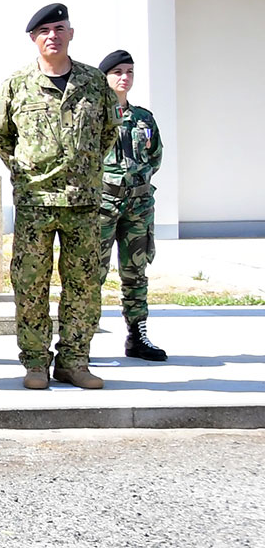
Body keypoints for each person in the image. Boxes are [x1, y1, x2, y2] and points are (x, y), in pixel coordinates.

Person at [0, 5, 118, 390]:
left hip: (83, 203)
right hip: (35, 202)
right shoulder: (17, 84)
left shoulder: (95, 83)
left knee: (83, 285)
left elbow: (109, 131)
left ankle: (74, 361)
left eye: (59, 29)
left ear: (71, 34)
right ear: (33, 39)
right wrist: (27, 172)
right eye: (44, 30)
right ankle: (35, 363)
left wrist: (86, 169)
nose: (52, 36)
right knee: (31, 285)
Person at [98, 49, 167, 362]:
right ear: (106, 78)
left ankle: (137, 335)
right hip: (103, 205)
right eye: (118, 73)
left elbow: (155, 157)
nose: (124, 78)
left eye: (129, 72)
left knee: (135, 273)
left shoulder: (143, 118)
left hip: (138, 207)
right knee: (90, 274)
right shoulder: (96, 115)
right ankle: (79, 340)